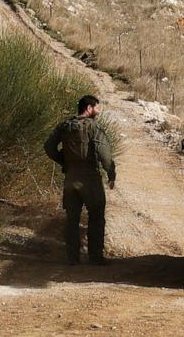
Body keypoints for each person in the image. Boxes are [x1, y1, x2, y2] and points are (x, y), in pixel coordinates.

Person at [44, 95, 116, 266]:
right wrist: (111, 173)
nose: (98, 111)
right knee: (96, 217)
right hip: (90, 179)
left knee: (72, 219)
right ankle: (95, 257)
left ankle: (72, 258)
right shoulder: (93, 127)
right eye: (97, 107)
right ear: (89, 108)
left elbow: (48, 147)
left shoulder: (65, 126)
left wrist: (64, 160)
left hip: (70, 178)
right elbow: (104, 154)